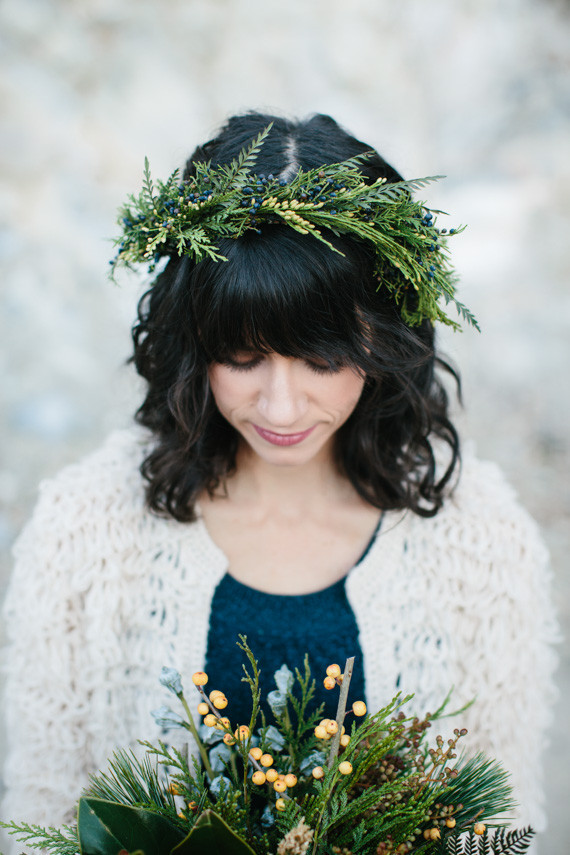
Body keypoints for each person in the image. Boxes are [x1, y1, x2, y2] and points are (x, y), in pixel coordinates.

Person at [1, 112, 557, 840]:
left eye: (323, 361)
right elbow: (42, 814)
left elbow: (496, 825)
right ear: (192, 342)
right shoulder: (83, 526)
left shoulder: (484, 540)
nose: (281, 406)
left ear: (386, 340)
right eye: (241, 358)